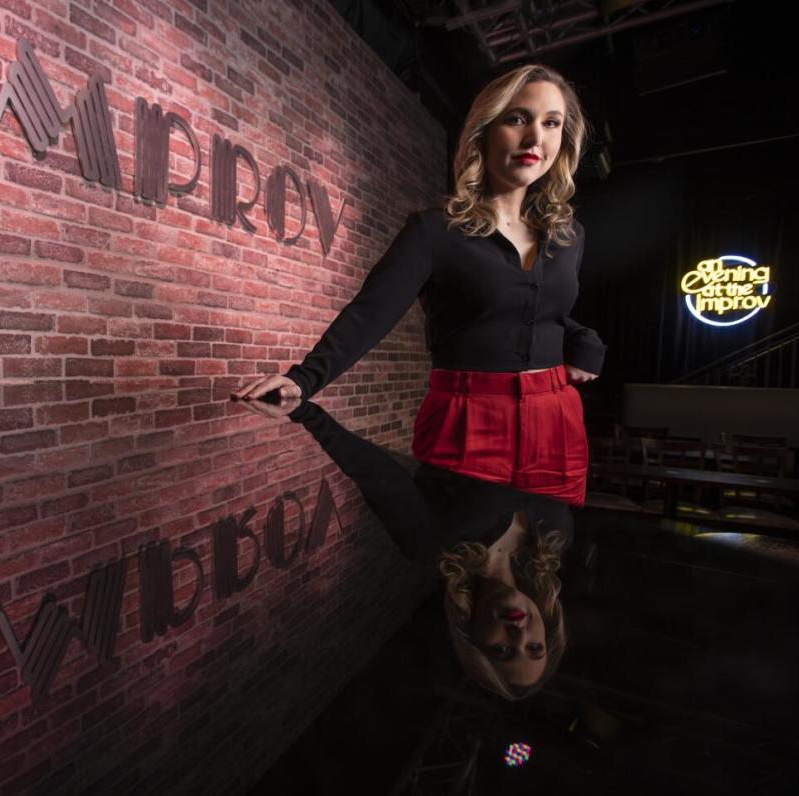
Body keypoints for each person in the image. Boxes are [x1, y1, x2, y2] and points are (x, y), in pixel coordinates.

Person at [231, 63, 605, 507]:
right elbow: (370, 313)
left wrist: (585, 341)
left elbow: (539, 310)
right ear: (485, 131)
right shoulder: (434, 232)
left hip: (556, 421)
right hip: (465, 419)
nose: (535, 139)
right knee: (452, 564)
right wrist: (304, 379)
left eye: (551, 123)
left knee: (543, 564)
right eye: (518, 118)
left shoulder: (569, 235)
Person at [274, 396, 570, 698]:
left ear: (472, 636)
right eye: (535, 647)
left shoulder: (432, 546)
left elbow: (374, 472)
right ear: (546, 629)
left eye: (502, 650)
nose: (519, 636)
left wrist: (304, 410)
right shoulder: (555, 536)